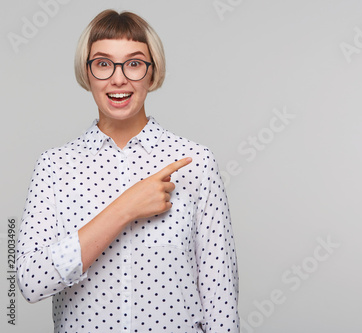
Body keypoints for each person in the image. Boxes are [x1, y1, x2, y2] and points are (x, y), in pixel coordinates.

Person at [16, 9, 239, 333]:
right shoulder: (54, 167)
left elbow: (221, 301)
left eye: (134, 63)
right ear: (87, 72)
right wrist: (125, 208)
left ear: (152, 73)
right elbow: (29, 281)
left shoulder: (195, 162)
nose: (118, 78)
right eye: (103, 64)